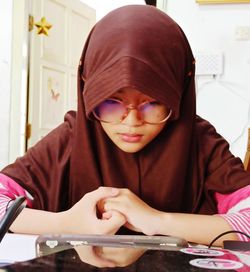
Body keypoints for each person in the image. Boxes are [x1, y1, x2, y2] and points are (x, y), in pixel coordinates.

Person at [0, 5, 249, 246]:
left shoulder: (200, 141)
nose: (131, 122)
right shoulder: (74, 135)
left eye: (153, 103)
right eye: (111, 102)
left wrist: (157, 221)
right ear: (87, 87)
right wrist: (67, 222)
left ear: (179, 94)